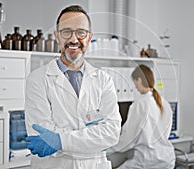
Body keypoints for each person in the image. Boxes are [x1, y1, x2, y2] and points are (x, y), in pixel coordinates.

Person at [24, 5, 122, 169]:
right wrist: (91, 140)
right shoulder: (37, 80)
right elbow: (41, 135)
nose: (74, 39)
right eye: (66, 32)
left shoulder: (104, 80)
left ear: (89, 37)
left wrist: (60, 141)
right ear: (57, 36)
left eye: (81, 32)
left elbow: (112, 133)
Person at [107, 64, 175, 169]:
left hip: (148, 160)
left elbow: (128, 139)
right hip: (167, 159)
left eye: (134, 82)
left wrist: (111, 146)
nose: (135, 86)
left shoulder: (140, 104)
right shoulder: (164, 103)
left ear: (139, 79)